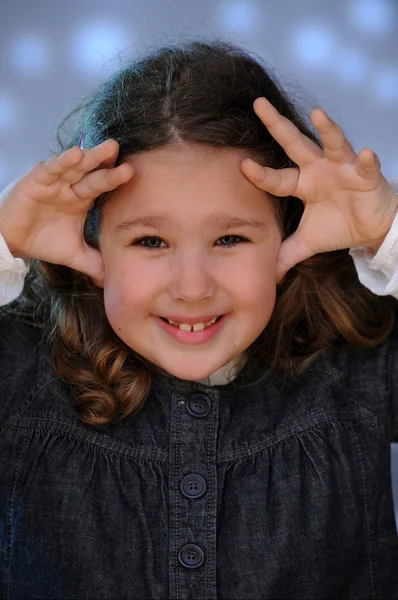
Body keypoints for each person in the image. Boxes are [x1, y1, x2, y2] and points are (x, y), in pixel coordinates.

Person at [0, 38, 398, 600]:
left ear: (290, 232)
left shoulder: (359, 364)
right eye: (151, 240)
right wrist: (4, 240)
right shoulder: (21, 366)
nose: (192, 286)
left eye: (230, 237)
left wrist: (387, 231)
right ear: (90, 243)